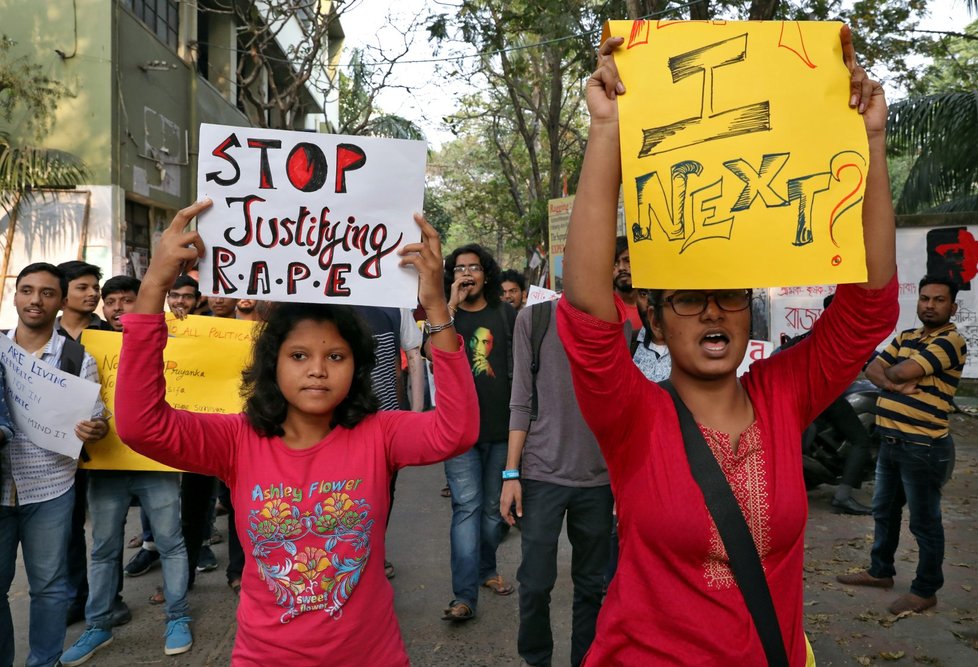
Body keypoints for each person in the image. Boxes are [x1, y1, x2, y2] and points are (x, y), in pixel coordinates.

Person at [555, 29, 898, 664]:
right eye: (687, 298)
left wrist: (871, 142)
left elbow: (868, 309)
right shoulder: (631, 413)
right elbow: (584, 314)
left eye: (729, 295)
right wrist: (607, 131)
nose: (712, 309)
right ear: (653, 322)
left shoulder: (785, 394)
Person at [112, 200, 477, 664]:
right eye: (299, 356)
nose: (318, 371)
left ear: (357, 367)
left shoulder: (379, 433)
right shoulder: (237, 440)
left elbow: (457, 430)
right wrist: (153, 287)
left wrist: (436, 306)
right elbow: (142, 425)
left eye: (337, 357)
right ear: (273, 364)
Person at [0, 263, 109, 667]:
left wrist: (96, 428)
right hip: (0, 485)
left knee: (48, 587)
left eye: (46, 293)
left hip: (51, 488)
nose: (34, 300)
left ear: (60, 301)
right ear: (14, 295)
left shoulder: (77, 357)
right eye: (26, 290)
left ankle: (45, 662)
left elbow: (98, 415)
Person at [837, 275, 966, 615]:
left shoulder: (951, 341)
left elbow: (895, 372)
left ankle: (925, 590)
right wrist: (895, 384)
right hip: (891, 443)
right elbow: (875, 368)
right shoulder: (907, 336)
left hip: (923, 447)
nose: (929, 305)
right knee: (884, 512)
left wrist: (892, 378)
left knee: (924, 522)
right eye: (925, 298)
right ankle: (881, 572)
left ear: (953, 306)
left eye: (939, 300)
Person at [500, 299, 613, 667]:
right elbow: (520, 399)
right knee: (534, 584)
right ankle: (536, 659)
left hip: (600, 481)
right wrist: (510, 474)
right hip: (540, 473)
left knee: (593, 587)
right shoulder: (535, 319)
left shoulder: (621, 323)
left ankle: (587, 660)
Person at [438, 244, 517, 621]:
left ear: (487, 273)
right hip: (458, 433)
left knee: (490, 511)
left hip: (502, 430)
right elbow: (427, 351)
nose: (467, 273)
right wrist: (449, 306)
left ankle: (486, 570)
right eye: (459, 268)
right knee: (466, 508)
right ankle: (464, 595)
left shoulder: (506, 314)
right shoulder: (444, 316)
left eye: (473, 267)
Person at [613, 236, 643, 334]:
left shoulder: (654, 307)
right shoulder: (605, 311)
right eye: (615, 263)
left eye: (628, 261)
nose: (621, 268)